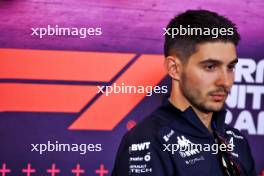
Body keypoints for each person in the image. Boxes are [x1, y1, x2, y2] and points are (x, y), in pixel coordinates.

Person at [111, 9, 256, 176]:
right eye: (210, 67)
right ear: (174, 69)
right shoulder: (148, 141)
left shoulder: (236, 141)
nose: (225, 81)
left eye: (230, 67)